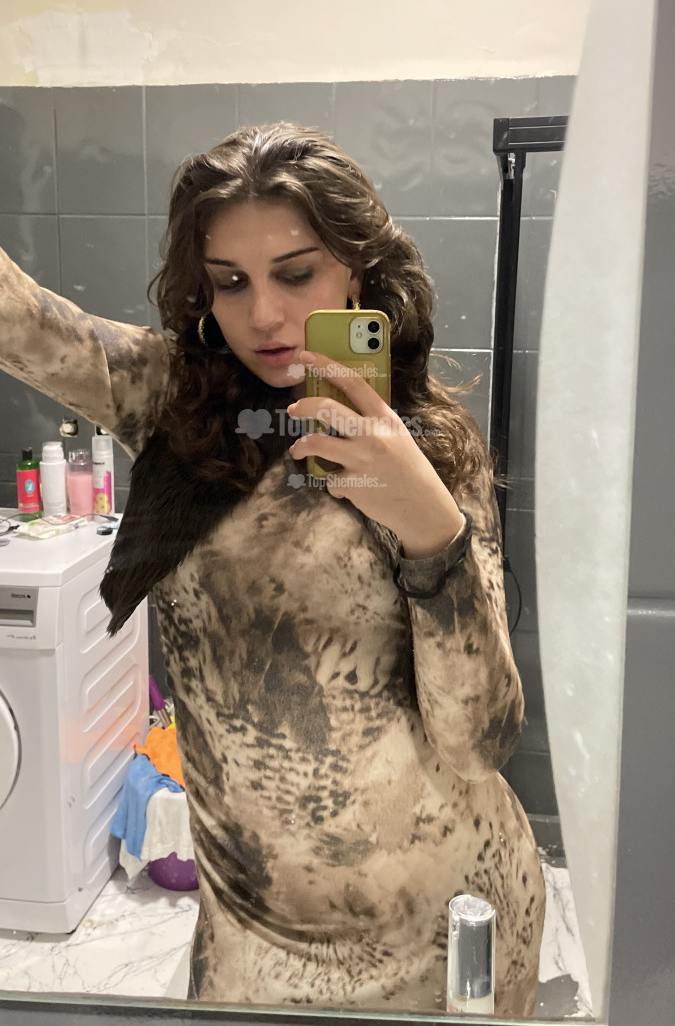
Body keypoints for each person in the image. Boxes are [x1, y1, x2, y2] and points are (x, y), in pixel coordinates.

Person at [0, 121, 545, 1015]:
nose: (262, 316)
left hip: (440, 931)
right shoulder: (168, 398)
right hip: (252, 939)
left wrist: (429, 531)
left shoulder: (432, 448)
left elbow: (477, 744)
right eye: (230, 282)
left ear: (356, 272)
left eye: (296, 274)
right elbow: (19, 321)